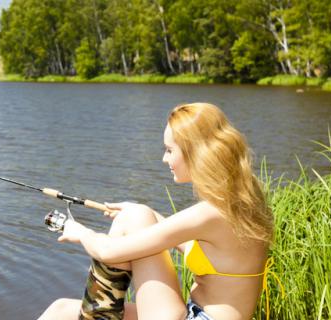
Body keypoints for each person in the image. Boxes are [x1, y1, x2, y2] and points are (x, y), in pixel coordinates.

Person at [38, 103, 281, 320]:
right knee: (60, 311)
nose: (165, 159)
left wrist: (78, 231)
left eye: (169, 150)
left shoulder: (211, 213)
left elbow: (107, 251)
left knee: (135, 216)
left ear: (195, 152)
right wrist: (147, 213)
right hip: (193, 314)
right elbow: (190, 243)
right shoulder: (239, 204)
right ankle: (100, 313)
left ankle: (100, 314)